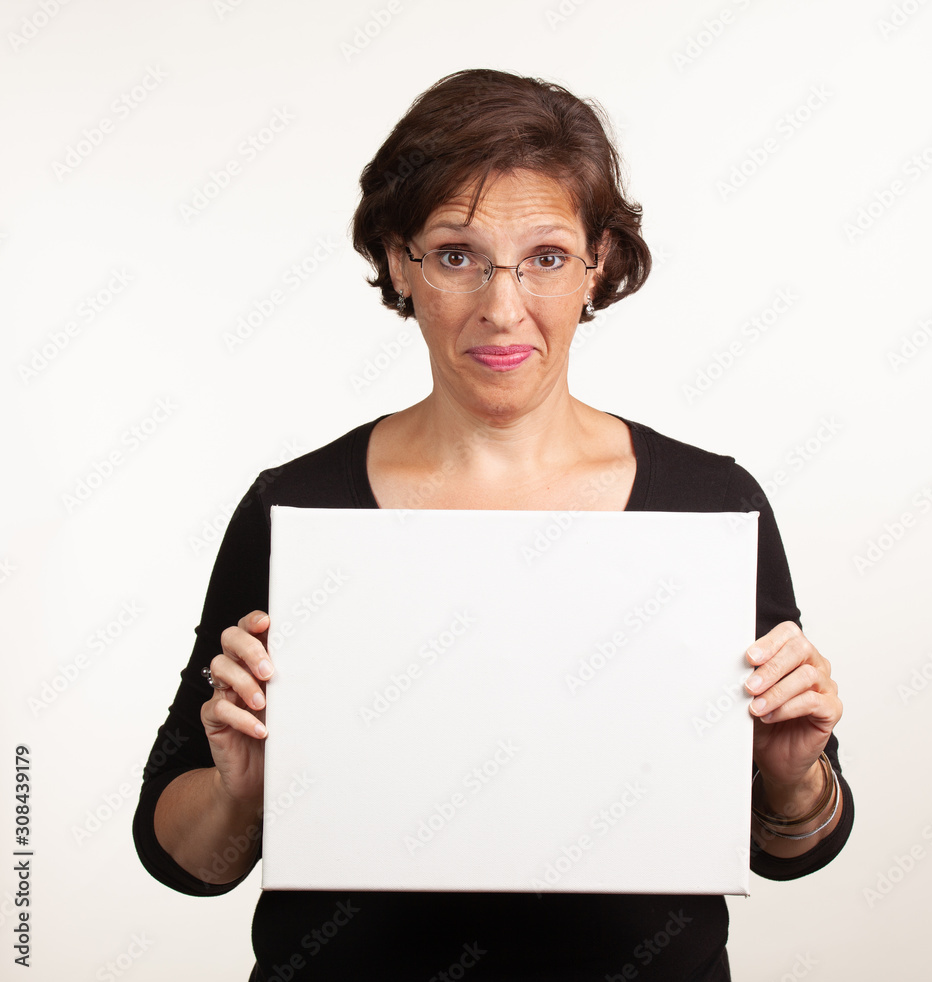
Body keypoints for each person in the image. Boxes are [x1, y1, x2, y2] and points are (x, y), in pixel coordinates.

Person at [133, 68, 853, 981]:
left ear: (599, 262)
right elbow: (180, 856)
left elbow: (795, 845)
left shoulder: (709, 505)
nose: (502, 307)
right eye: (456, 254)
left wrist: (794, 778)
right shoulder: (296, 509)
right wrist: (242, 797)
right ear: (400, 262)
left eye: (546, 257)